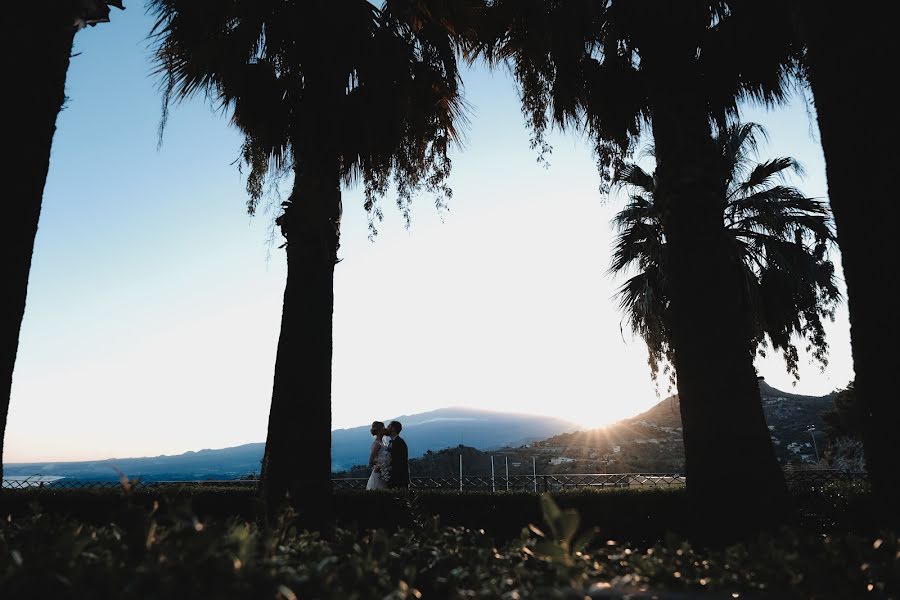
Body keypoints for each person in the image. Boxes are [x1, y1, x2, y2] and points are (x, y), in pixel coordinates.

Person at [365, 421, 391, 490]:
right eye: (383, 428)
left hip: (383, 474)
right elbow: (371, 461)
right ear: (380, 430)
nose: (385, 429)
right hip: (379, 473)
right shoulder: (377, 443)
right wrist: (382, 466)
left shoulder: (383, 442)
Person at [386, 420, 410, 489]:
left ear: (393, 429)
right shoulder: (393, 442)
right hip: (395, 479)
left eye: (388, 426)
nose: (386, 428)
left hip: (399, 479)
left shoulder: (399, 442)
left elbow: (399, 461)